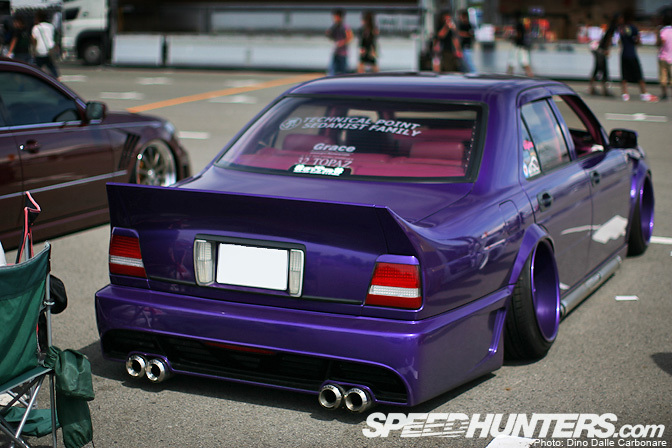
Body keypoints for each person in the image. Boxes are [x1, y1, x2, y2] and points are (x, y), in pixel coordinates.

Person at [618, 10, 657, 102]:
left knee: (624, 75)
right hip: (632, 53)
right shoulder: (633, 28)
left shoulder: (622, 28)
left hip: (624, 54)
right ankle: (644, 92)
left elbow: (620, 41)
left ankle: (625, 94)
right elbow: (638, 41)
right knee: (638, 74)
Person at [588, 15, 617, 96]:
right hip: (601, 51)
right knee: (602, 70)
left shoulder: (608, 29)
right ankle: (602, 90)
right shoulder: (611, 29)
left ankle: (593, 88)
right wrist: (607, 50)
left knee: (598, 69)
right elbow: (608, 40)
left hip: (598, 50)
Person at [32, 10, 59, 79]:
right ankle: (57, 78)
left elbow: (34, 40)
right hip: (50, 50)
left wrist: (34, 51)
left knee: (37, 67)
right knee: (51, 66)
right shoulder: (51, 26)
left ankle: (36, 79)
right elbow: (54, 37)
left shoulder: (36, 28)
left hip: (40, 50)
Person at [326, 9, 353, 76]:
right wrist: (329, 34)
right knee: (332, 72)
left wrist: (342, 42)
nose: (334, 19)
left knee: (343, 72)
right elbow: (331, 37)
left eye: (336, 17)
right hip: (336, 52)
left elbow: (350, 37)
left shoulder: (345, 27)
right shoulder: (334, 27)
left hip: (343, 53)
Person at [506, 11, 533, 77]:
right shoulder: (521, 25)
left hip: (518, 46)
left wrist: (511, 37)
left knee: (512, 62)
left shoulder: (518, 25)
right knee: (524, 62)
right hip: (522, 47)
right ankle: (530, 76)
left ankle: (508, 77)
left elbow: (519, 35)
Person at [657, 13, 672, 100]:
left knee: (663, 77)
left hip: (663, 56)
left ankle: (664, 94)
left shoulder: (663, 31)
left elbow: (661, 41)